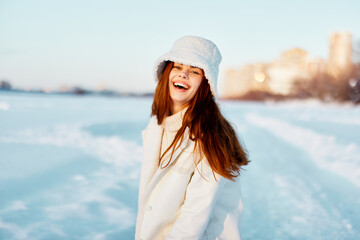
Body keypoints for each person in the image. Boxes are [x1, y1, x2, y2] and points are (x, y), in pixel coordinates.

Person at [136, 36, 249, 240]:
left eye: (194, 71)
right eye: (177, 66)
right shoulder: (156, 126)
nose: (184, 74)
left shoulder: (210, 136)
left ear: (206, 83)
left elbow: (193, 220)